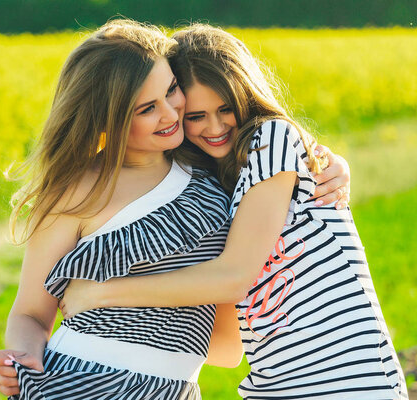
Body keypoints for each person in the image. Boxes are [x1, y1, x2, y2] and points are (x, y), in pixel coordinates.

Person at [0, 20, 352, 399]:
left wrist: (330, 162)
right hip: (80, 383)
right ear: (107, 118)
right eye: (147, 109)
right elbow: (29, 314)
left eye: (172, 90)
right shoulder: (76, 190)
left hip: (175, 389)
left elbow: (227, 349)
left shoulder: (211, 170)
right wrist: (23, 355)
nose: (171, 114)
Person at [60, 25, 408, 399]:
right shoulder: (219, 185)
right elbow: (228, 348)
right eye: (195, 116)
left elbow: (234, 277)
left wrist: (100, 295)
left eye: (226, 108)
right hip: (276, 387)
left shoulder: (271, 139)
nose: (215, 127)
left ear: (246, 94)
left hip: (353, 383)